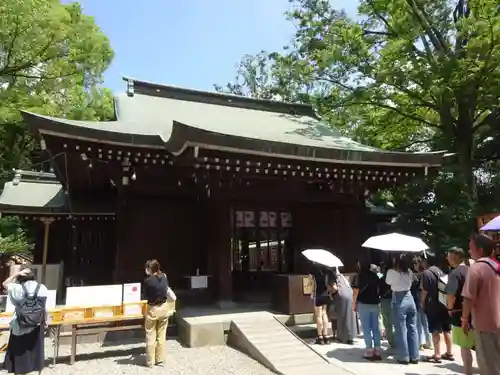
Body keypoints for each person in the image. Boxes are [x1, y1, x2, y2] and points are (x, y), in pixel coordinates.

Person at [461, 234, 500, 375]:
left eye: (471, 248)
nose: (469, 251)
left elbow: (468, 298)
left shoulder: (476, 268)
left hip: (486, 325)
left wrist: (464, 320)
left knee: (488, 365)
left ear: (480, 250)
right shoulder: (496, 266)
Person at [3, 267, 48, 375]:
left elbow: (5, 283)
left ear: (21, 276)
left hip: (20, 325)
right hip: (37, 325)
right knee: (36, 354)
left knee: (20, 356)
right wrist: (46, 322)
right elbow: (44, 308)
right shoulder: (42, 288)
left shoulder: (16, 288)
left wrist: (16, 274)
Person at [385, 253, 419, 365]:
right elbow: (414, 280)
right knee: (412, 328)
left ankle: (404, 356)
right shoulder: (409, 271)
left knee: (401, 329)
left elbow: (387, 282)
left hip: (399, 299)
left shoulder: (391, 272)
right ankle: (414, 356)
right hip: (410, 298)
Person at [446, 247, 475, 375]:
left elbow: (451, 294)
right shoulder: (472, 270)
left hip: (460, 313)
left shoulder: (455, 273)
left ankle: (468, 372)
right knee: (478, 344)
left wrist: (450, 308)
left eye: (448, 256)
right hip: (476, 312)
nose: (447, 259)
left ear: (454, 257)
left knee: (465, 346)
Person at [420, 256, 454, 362]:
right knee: (446, 329)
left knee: (435, 330)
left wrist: (422, 302)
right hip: (443, 303)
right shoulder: (441, 271)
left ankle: (437, 354)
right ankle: (449, 352)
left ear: (427, 261)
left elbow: (425, 290)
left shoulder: (427, 273)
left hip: (432, 305)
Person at [352, 259, 382, 360]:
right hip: (375, 303)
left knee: (366, 328)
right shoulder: (376, 275)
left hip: (363, 303)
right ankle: (377, 350)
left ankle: (369, 350)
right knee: (375, 327)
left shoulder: (358, 277)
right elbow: (381, 285)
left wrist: (353, 304)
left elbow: (356, 291)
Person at [143, 259, 171, 367]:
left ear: (151, 269)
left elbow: (145, 295)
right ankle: (159, 359)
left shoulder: (148, 281)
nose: (146, 270)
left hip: (153, 309)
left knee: (150, 335)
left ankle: (150, 361)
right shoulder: (164, 276)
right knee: (161, 334)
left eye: (147, 268)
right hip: (164, 308)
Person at [330, 267, 356, 344]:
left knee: (342, 317)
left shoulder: (333, 277)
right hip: (350, 295)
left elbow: (335, 288)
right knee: (350, 317)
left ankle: (343, 337)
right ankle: (351, 336)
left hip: (342, 297)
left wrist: (331, 292)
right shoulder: (341, 276)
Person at [309, 263, 332, 345]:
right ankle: (326, 336)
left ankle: (320, 337)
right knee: (324, 314)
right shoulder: (327, 271)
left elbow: (311, 285)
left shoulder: (313, 272)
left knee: (318, 315)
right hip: (326, 294)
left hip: (317, 294)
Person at [412, 258, 432, 350]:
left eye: (415, 263)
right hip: (425, 299)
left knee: (419, 322)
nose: (414, 265)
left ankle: (420, 343)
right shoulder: (426, 273)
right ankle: (428, 342)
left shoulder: (419, 275)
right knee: (425, 322)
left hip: (419, 299)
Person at [379, 261, 396, 348]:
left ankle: (391, 341)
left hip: (385, 300)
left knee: (388, 323)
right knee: (395, 322)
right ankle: (396, 340)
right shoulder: (395, 276)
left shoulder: (381, 277)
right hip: (395, 299)